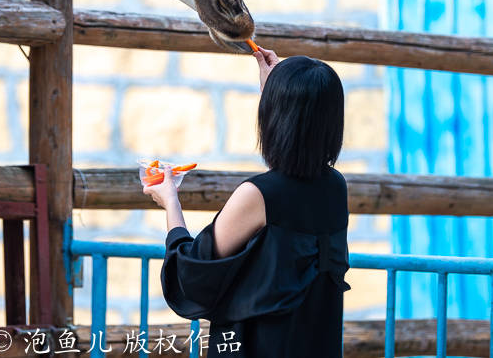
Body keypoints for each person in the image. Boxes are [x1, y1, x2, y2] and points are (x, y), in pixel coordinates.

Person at [143, 48, 350, 357]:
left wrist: (170, 200)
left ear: (274, 116)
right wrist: (277, 89)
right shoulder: (335, 187)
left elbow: (191, 272)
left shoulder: (259, 195)